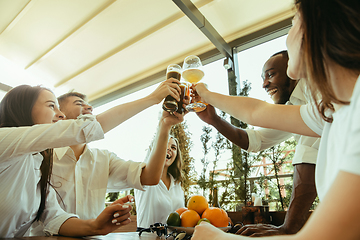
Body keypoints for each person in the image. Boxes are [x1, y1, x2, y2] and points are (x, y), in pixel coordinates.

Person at [192, 0, 360, 239]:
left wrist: (216, 236)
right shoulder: (331, 110)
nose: (288, 33)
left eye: (293, 22)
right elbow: (255, 113)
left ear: (313, 27)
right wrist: (208, 99)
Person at [30, 78, 186, 235]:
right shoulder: (40, 159)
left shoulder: (104, 159)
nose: (89, 107)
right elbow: (50, 218)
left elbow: (151, 177)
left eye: (89, 104)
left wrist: (164, 125)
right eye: (79, 104)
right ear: (60, 115)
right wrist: (152, 98)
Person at [196, 51, 318, 236]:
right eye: (263, 77)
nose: (264, 83)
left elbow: (309, 157)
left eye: (270, 74)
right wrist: (214, 120)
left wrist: (287, 229)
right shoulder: (296, 107)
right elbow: (255, 141)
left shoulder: (316, 89)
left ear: (293, 68)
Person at [0, 85, 133, 237]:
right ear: (22, 109)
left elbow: (53, 217)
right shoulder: (2, 140)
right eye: (51, 106)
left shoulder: (39, 162)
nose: (61, 115)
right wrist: (154, 98)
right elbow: (84, 128)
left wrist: (96, 226)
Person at [134, 135, 185, 230]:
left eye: (173, 147)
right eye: (165, 145)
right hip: (147, 237)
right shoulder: (144, 177)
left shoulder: (177, 183)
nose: (169, 149)